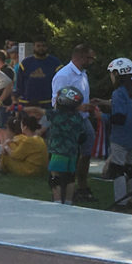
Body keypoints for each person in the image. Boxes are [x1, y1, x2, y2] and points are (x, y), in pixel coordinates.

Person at [51, 43, 97, 200]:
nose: (92, 62)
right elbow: (56, 102)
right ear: (81, 57)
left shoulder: (83, 74)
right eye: (90, 58)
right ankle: (63, 189)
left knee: (86, 152)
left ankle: (82, 186)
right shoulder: (64, 75)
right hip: (68, 123)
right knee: (67, 155)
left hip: (83, 120)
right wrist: (78, 108)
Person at [102, 56, 132, 205]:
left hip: (120, 137)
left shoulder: (118, 93)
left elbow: (119, 118)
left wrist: (101, 115)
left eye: (112, 73)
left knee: (117, 168)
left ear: (117, 74)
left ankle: (121, 201)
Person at [47, 85, 87, 204]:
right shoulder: (78, 117)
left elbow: (41, 115)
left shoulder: (57, 115)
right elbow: (82, 136)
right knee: (70, 177)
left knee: (55, 176)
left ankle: (58, 200)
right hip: (73, 152)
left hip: (58, 150)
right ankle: (69, 201)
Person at [16, 39, 61, 113]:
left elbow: (59, 83)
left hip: (48, 103)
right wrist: (17, 100)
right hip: (28, 103)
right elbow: (19, 84)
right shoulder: (25, 63)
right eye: (38, 46)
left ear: (47, 47)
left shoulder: (55, 63)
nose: (41, 48)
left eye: (43, 46)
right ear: (34, 47)